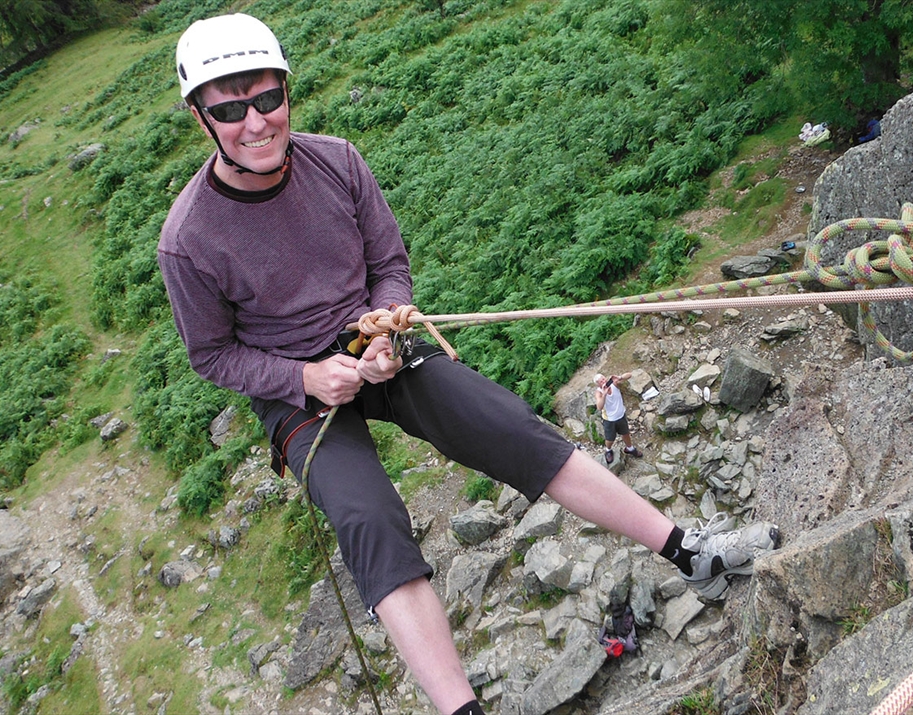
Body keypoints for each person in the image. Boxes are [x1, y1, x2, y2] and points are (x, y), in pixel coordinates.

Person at [158, 14, 781, 715]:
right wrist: (302, 377)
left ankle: (689, 552)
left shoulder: (337, 160)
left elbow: (388, 265)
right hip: (294, 385)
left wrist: (388, 323)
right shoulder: (189, 239)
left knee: (509, 426)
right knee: (369, 518)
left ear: (285, 92)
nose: (256, 122)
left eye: (267, 98)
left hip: (375, 341)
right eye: (230, 108)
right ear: (200, 117)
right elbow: (212, 354)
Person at [594, 372, 641, 464]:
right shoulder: (599, 392)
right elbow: (599, 407)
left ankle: (629, 448)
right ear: (598, 384)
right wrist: (604, 394)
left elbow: (629, 375)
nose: (604, 381)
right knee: (610, 438)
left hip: (621, 415)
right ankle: (608, 450)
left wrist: (619, 377)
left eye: (603, 379)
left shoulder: (614, 383)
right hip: (609, 419)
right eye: (601, 381)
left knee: (625, 433)